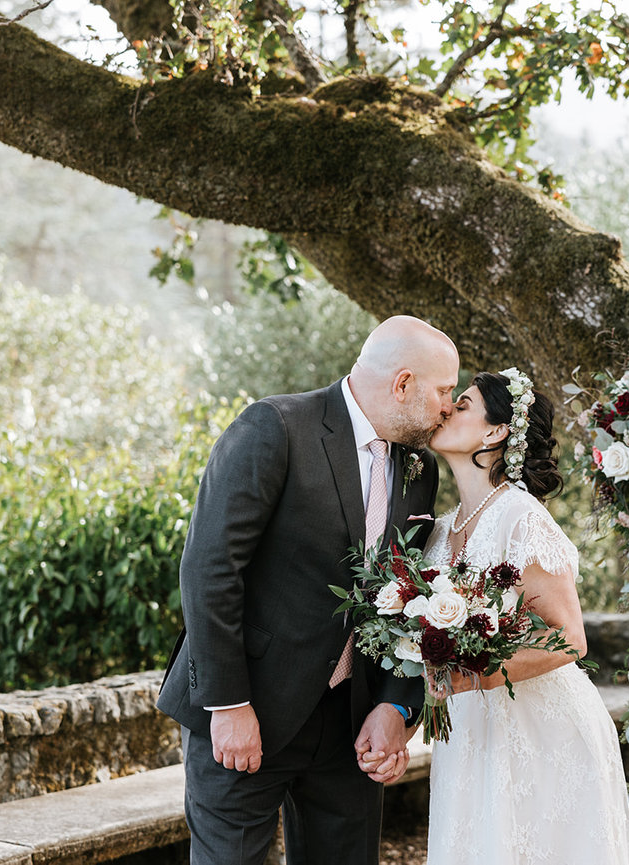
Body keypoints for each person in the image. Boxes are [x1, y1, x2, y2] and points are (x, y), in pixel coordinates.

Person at [156, 315, 459, 865]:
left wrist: (396, 703)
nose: (449, 406)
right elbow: (210, 569)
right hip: (249, 709)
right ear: (403, 383)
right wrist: (228, 704)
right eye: (444, 391)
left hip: (351, 726)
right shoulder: (274, 427)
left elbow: (410, 595)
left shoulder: (420, 471)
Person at [418, 369, 629, 864]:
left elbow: (570, 638)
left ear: (496, 433)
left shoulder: (522, 517)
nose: (448, 408)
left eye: (465, 403)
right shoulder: (440, 530)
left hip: (540, 731)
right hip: (471, 731)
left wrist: (471, 678)